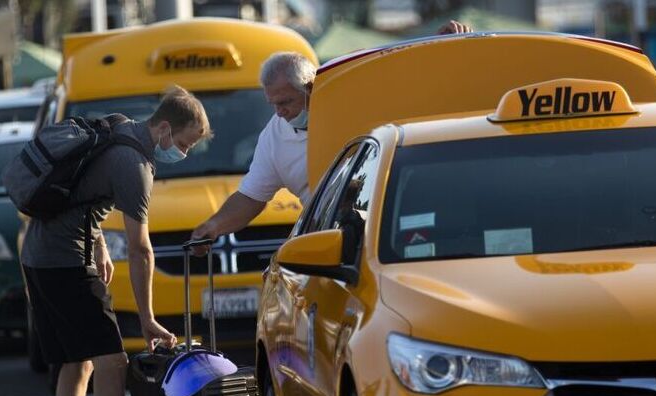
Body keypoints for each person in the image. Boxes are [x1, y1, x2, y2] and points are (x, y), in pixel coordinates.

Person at [21, 85, 210, 396]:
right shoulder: (135, 164)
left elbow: (86, 195)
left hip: (38, 256)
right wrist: (147, 318)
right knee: (113, 362)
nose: (183, 152)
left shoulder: (121, 129)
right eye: (183, 143)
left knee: (77, 363)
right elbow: (142, 249)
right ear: (163, 128)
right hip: (66, 263)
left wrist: (100, 244)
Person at [190, 21, 471, 247]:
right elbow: (251, 197)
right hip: (329, 241)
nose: (279, 113)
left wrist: (442, 48)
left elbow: (414, 90)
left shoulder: (358, 105)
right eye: (273, 104)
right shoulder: (274, 136)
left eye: (286, 102)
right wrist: (213, 227)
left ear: (311, 88)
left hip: (394, 231)